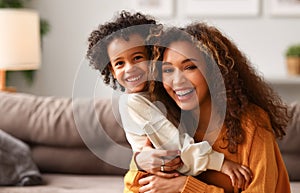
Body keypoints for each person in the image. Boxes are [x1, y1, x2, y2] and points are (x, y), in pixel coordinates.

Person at [86, 11, 251, 193]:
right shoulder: (134, 102)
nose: (130, 69)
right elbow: (176, 145)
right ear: (111, 69)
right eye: (119, 63)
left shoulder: (163, 92)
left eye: (137, 58)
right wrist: (221, 163)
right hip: (156, 181)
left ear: (152, 56)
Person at [133, 24, 291, 193]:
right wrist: (140, 161)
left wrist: (185, 187)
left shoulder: (252, 122)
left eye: (190, 67)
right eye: (168, 70)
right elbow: (132, 187)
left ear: (215, 71)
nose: (177, 81)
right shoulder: (167, 120)